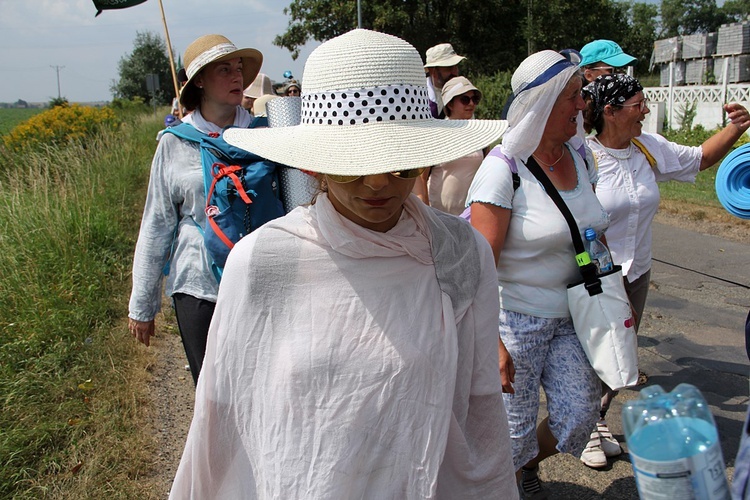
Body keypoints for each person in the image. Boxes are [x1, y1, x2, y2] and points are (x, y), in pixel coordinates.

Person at [169, 28, 518, 499]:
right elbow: (227, 413)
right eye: (352, 165)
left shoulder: (458, 253)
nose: (377, 183)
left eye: (401, 164)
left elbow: (479, 410)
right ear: (313, 165)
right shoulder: (266, 262)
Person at [581, 73, 750, 467]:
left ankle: (597, 417)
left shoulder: (647, 147)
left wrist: (736, 128)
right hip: (598, 276)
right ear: (610, 111)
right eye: (637, 104)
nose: (645, 110)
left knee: (622, 356)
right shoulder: (584, 156)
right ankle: (584, 427)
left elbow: (701, 158)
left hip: (637, 271)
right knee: (593, 355)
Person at [465, 50, 608, 499]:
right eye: (573, 96)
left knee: (580, 413)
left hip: (572, 315)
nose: (583, 105)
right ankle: (508, 481)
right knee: (511, 432)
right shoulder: (501, 170)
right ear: (543, 103)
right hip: (516, 320)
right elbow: (477, 266)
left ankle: (526, 463)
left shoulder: (581, 160)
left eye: (581, 95)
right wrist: (492, 342)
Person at [128, 34, 262, 385]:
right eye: (224, 69)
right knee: (211, 391)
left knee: (263, 387)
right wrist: (143, 305)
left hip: (262, 281)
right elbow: (157, 224)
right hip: (199, 285)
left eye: (238, 69)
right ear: (199, 80)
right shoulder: (175, 144)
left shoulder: (265, 136)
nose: (237, 77)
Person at [414, 76, 486, 215]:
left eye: (474, 99)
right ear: (450, 104)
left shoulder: (482, 134)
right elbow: (422, 178)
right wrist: (427, 214)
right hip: (440, 214)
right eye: (465, 99)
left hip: (471, 214)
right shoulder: (436, 135)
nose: (471, 104)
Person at [424, 42, 465, 118]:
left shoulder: (464, 94)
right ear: (433, 71)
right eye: (449, 67)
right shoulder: (420, 97)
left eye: (455, 67)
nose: (454, 72)